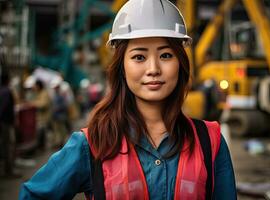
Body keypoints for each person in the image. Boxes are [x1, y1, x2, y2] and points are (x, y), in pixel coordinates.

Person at [19, 0, 237, 199]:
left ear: (181, 64)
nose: (153, 69)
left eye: (166, 55)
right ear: (121, 67)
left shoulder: (210, 142)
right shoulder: (93, 144)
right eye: (139, 57)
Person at [0, 70, 19, 177]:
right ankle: (8, 171)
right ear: (8, 80)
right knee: (8, 146)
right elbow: (6, 107)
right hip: (6, 123)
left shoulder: (2, 90)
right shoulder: (7, 91)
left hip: (3, 122)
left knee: (5, 145)